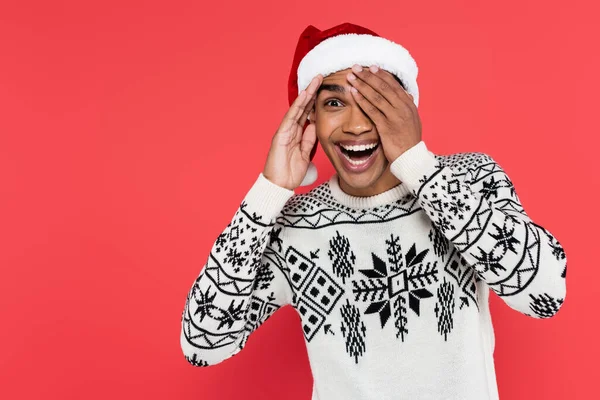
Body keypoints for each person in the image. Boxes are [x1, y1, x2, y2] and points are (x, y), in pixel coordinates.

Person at [179, 22, 567, 400]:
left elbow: (545, 293)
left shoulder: (471, 179)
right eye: (334, 103)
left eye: (374, 101)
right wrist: (269, 192)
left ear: (406, 106)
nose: (357, 124)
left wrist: (418, 166)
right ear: (309, 118)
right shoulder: (294, 228)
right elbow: (203, 344)